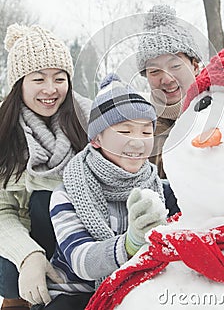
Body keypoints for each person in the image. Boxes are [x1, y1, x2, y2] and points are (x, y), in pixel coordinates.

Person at [30, 73, 167, 310]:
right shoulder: (69, 193)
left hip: (136, 288)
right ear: (96, 139)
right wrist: (130, 243)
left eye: (146, 132)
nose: (137, 142)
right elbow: (81, 261)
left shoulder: (160, 190)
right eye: (124, 131)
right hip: (73, 293)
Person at [0, 24, 91, 310]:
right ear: (19, 84)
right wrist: (28, 255)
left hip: (82, 234)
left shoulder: (89, 119)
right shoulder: (6, 133)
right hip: (30, 235)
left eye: (59, 78)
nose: (51, 90)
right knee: (11, 272)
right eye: (39, 79)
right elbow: (2, 211)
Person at [136, 4, 202, 180]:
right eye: (155, 71)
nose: (167, 79)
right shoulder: (142, 128)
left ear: (194, 66)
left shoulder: (222, 111)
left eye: (175, 66)